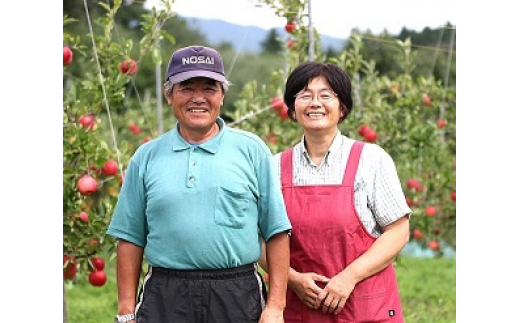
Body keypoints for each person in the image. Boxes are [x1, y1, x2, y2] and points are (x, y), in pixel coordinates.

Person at [107, 45, 292, 323]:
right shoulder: (146, 157)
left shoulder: (252, 150)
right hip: (165, 294)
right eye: (186, 88)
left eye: (209, 88)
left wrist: (276, 306)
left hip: (237, 292)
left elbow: (276, 231)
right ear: (169, 95)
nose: (198, 98)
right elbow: (130, 238)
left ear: (222, 95)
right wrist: (125, 311)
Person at [261, 61, 412, 323]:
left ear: (342, 108)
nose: (315, 103)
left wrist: (347, 278)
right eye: (305, 95)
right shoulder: (274, 167)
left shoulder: (371, 160)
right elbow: (259, 238)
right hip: (300, 309)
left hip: (365, 307)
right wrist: (292, 278)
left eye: (326, 95)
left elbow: (398, 231)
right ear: (293, 109)